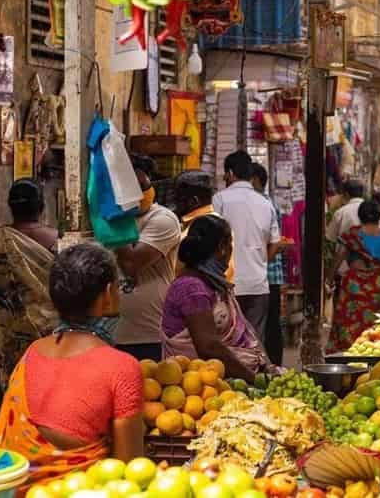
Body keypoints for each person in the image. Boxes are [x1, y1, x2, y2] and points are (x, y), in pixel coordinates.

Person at [0, 244, 143, 493]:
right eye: (118, 286)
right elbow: (130, 471)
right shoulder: (122, 368)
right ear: (107, 293)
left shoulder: (32, 353)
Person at [0, 179, 59, 389]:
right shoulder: (58, 242)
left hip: (5, 341)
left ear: (11, 207)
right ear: (41, 206)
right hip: (51, 335)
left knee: (14, 396)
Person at [160, 215, 273, 381]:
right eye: (230, 245)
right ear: (222, 247)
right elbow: (209, 348)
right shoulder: (191, 288)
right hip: (196, 385)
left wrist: (267, 366)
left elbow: (246, 329)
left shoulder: (214, 285)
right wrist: (254, 380)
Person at [114, 156, 181, 361]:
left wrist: (117, 218)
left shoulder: (162, 220)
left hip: (149, 335)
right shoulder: (102, 220)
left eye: (145, 186)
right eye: (133, 188)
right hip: (110, 333)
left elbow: (131, 264)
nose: (142, 194)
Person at [212, 150, 281, 340]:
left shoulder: (219, 200)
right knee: (253, 341)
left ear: (231, 173)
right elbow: (275, 243)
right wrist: (259, 260)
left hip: (226, 283)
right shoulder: (265, 203)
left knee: (226, 340)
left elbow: (210, 238)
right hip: (258, 284)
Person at [327, 201, 380, 352]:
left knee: (349, 323)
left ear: (360, 217)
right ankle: (372, 354)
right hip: (378, 287)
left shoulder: (351, 235)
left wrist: (328, 280)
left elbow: (338, 258)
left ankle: (350, 353)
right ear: (379, 217)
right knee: (376, 324)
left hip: (354, 285)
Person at [250, 163, 293, 366]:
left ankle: (269, 365)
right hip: (269, 276)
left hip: (265, 275)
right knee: (270, 325)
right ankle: (272, 365)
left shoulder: (262, 204)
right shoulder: (266, 204)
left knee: (265, 326)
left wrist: (259, 260)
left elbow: (275, 244)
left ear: (256, 180)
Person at [172, 170, 235, 281]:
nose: (174, 206)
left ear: (193, 201)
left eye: (178, 200)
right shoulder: (217, 222)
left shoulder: (206, 229)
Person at [326, 179, 380, 243]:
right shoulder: (374, 210)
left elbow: (330, 237)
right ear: (362, 193)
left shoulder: (340, 213)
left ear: (346, 194)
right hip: (372, 251)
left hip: (347, 251)